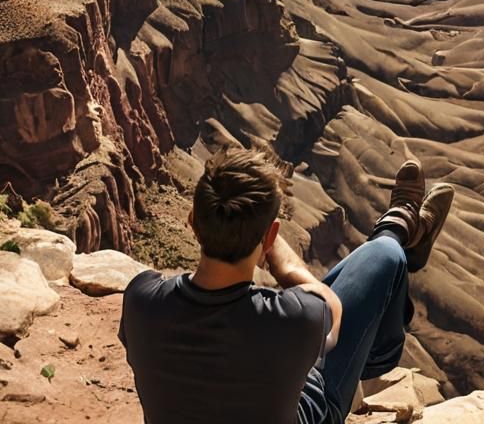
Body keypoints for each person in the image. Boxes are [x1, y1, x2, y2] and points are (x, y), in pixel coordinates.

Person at [119, 147, 454, 424]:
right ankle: (399, 229)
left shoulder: (140, 300)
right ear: (271, 236)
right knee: (386, 254)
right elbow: (333, 308)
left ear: (192, 222)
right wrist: (284, 264)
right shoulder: (290, 320)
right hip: (308, 413)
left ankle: (401, 225)